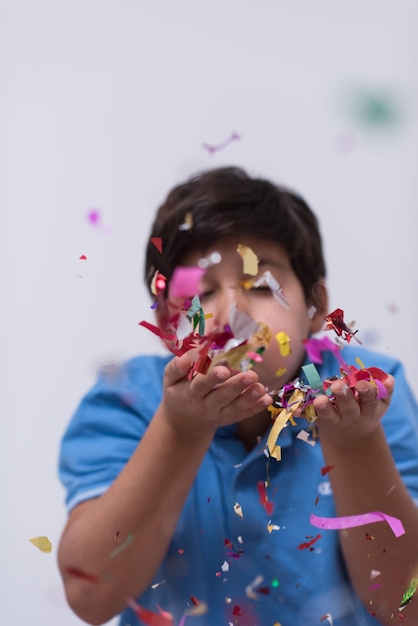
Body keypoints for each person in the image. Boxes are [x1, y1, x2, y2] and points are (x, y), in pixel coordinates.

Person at [57, 166, 418, 626]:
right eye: (202, 293)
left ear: (315, 309)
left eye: (262, 286)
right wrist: (180, 428)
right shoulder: (126, 398)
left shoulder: (368, 387)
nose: (233, 312)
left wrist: (356, 440)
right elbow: (89, 597)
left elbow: (406, 609)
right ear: (169, 325)